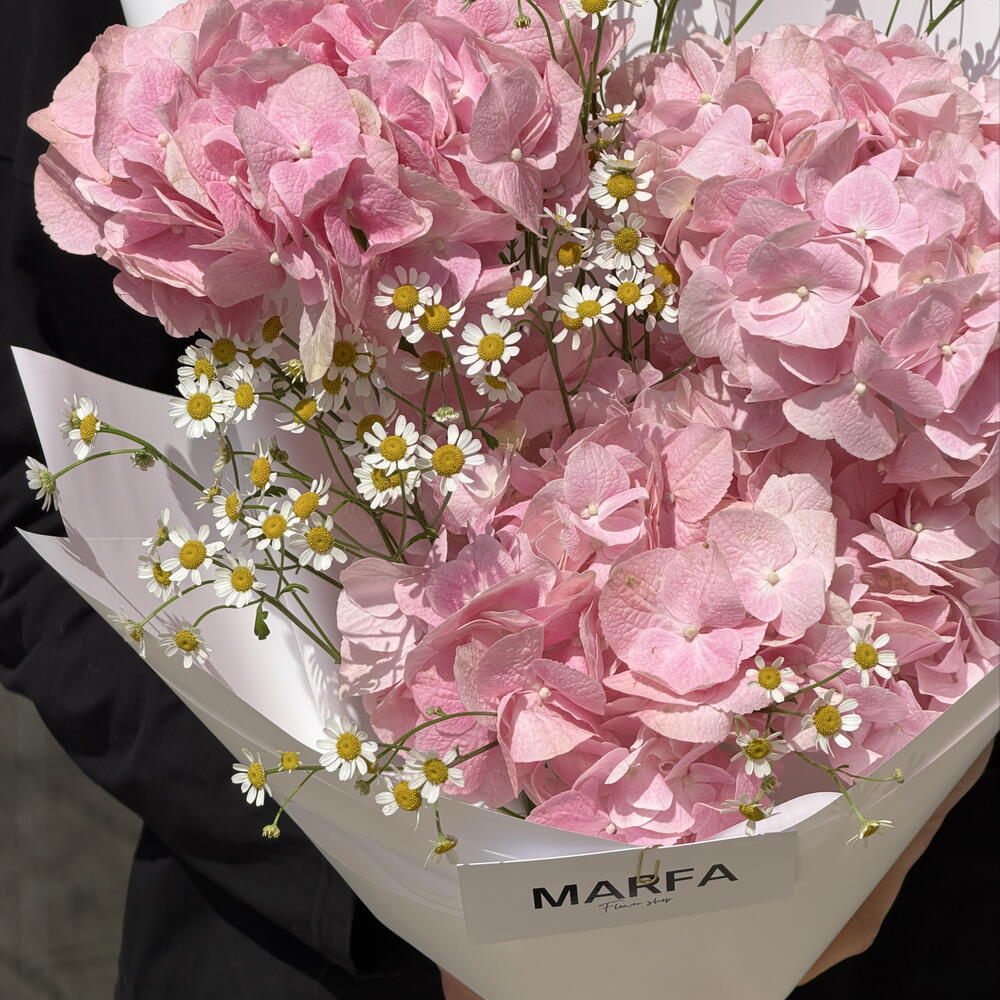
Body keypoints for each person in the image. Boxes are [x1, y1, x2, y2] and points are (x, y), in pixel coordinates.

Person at [1, 3, 995, 999]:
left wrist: (880, 824)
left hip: (903, 906)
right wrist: (404, 888)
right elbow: (21, 498)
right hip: (334, 942)